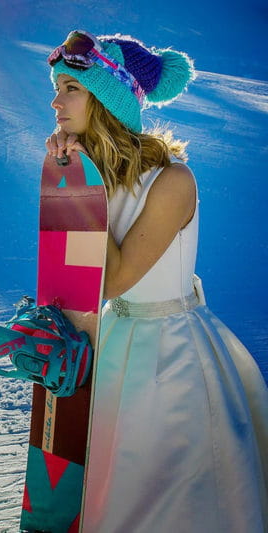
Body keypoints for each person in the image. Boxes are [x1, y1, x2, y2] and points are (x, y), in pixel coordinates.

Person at [46, 30, 268, 531]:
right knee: (115, 492)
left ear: (109, 98)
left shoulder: (173, 181)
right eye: (57, 87)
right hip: (115, 347)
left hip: (173, 361)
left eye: (71, 88)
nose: (56, 102)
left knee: (172, 502)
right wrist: (69, 181)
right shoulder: (86, 172)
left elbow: (116, 278)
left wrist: (82, 190)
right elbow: (72, 280)